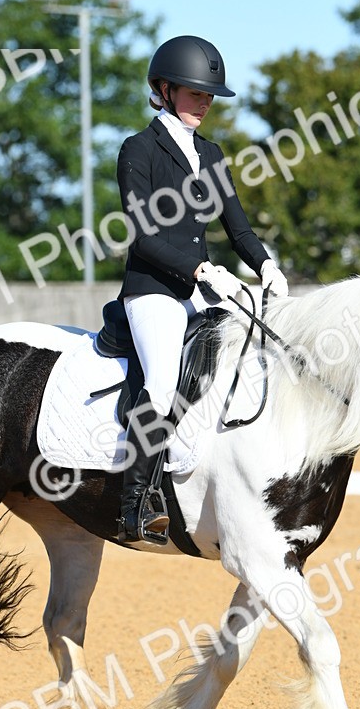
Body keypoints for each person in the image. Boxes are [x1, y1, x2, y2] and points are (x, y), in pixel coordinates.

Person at [113, 34, 289, 545]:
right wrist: (199, 271)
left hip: (201, 288)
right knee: (164, 378)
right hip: (154, 291)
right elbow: (143, 235)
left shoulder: (211, 154)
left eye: (210, 94)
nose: (205, 102)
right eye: (195, 92)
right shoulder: (138, 150)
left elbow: (238, 229)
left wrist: (266, 266)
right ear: (164, 90)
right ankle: (134, 506)